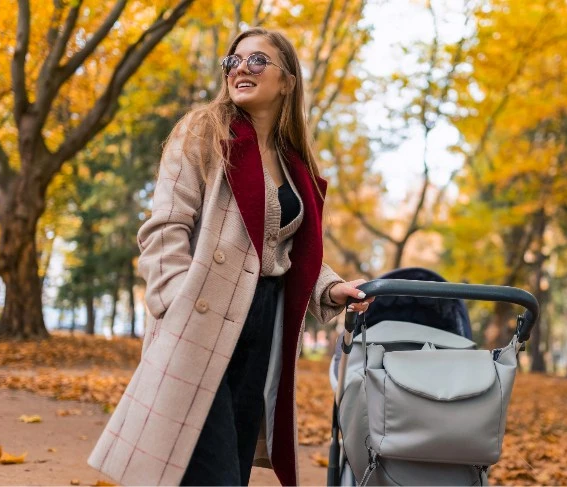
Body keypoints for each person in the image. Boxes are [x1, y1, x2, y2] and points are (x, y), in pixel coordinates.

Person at [87, 27, 373, 486]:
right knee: (208, 466)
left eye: (258, 61)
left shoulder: (292, 159)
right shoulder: (203, 132)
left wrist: (331, 287)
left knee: (233, 466)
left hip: (262, 323)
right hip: (202, 315)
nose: (241, 67)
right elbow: (165, 227)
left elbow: (284, 250)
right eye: (234, 61)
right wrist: (176, 303)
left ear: (287, 81)